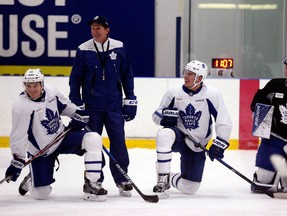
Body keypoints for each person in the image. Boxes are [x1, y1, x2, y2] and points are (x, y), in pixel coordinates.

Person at [5, 68, 107, 201]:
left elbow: (66, 107)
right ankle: (32, 180)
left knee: (93, 138)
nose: (32, 89)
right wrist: (17, 160)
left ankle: (92, 185)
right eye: (28, 86)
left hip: (62, 137)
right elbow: (18, 136)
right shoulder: (21, 107)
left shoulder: (51, 92)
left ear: (41, 84)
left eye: (35, 85)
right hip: (41, 151)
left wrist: (78, 114)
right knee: (41, 194)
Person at [68, 16, 137, 197]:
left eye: (98, 28)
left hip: (114, 107)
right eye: (92, 28)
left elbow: (127, 75)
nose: (95, 32)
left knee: (119, 143)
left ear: (107, 30)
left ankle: (122, 178)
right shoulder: (83, 49)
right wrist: (76, 102)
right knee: (93, 144)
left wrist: (130, 99)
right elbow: (75, 78)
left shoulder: (119, 47)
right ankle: (94, 180)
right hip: (91, 108)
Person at [152, 60, 232, 198]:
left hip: (198, 144)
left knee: (190, 188)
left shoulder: (212, 94)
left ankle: (170, 178)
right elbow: (156, 115)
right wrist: (165, 117)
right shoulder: (174, 92)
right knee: (164, 134)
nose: (186, 76)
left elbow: (223, 121)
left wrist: (220, 144)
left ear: (200, 78)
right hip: (179, 137)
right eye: (186, 72)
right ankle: (162, 178)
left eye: (190, 74)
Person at [250, 56, 287, 193]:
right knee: (264, 182)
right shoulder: (275, 85)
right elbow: (257, 103)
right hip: (274, 139)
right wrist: (261, 116)